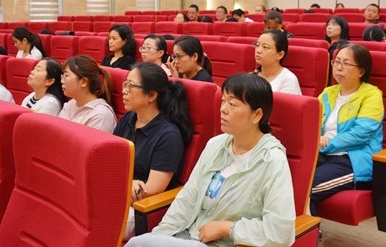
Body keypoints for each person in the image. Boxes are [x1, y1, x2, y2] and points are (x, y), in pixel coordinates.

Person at [126, 73, 296, 247]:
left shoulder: (272, 160)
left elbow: (280, 231)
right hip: (188, 236)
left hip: (224, 244)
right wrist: (159, 235)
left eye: (232, 104)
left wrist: (228, 228)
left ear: (257, 115)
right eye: (223, 101)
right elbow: (188, 198)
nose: (223, 109)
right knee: (140, 243)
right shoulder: (216, 144)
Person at [114, 63, 193, 239]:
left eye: (130, 86)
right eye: (124, 84)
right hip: (118, 193)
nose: (124, 91)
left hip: (139, 209)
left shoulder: (168, 136)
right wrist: (126, 183)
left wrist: (123, 184)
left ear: (151, 95)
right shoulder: (128, 118)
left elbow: (150, 191)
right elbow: (112, 162)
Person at [310, 44, 384, 216]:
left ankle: (308, 232)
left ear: (361, 71)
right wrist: (316, 140)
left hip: (352, 159)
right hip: (321, 153)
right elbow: (310, 122)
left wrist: (325, 144)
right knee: (285, 180)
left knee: (306, 188)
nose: (339, 67)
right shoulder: (328, 93)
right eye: (336, 62)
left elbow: (361, 134)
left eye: (346, 63)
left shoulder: (371, 95)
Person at [58, 55, 116, 133]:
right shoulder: (70, 104)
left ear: (84, 82)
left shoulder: (101, 114)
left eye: (66, 76)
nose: (62, 81)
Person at [253, 29, 301, 95]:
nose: (258, 51)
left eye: (265, 47)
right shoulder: (253, 75)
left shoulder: (288, 79)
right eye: (257, 45)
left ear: (280, 55)